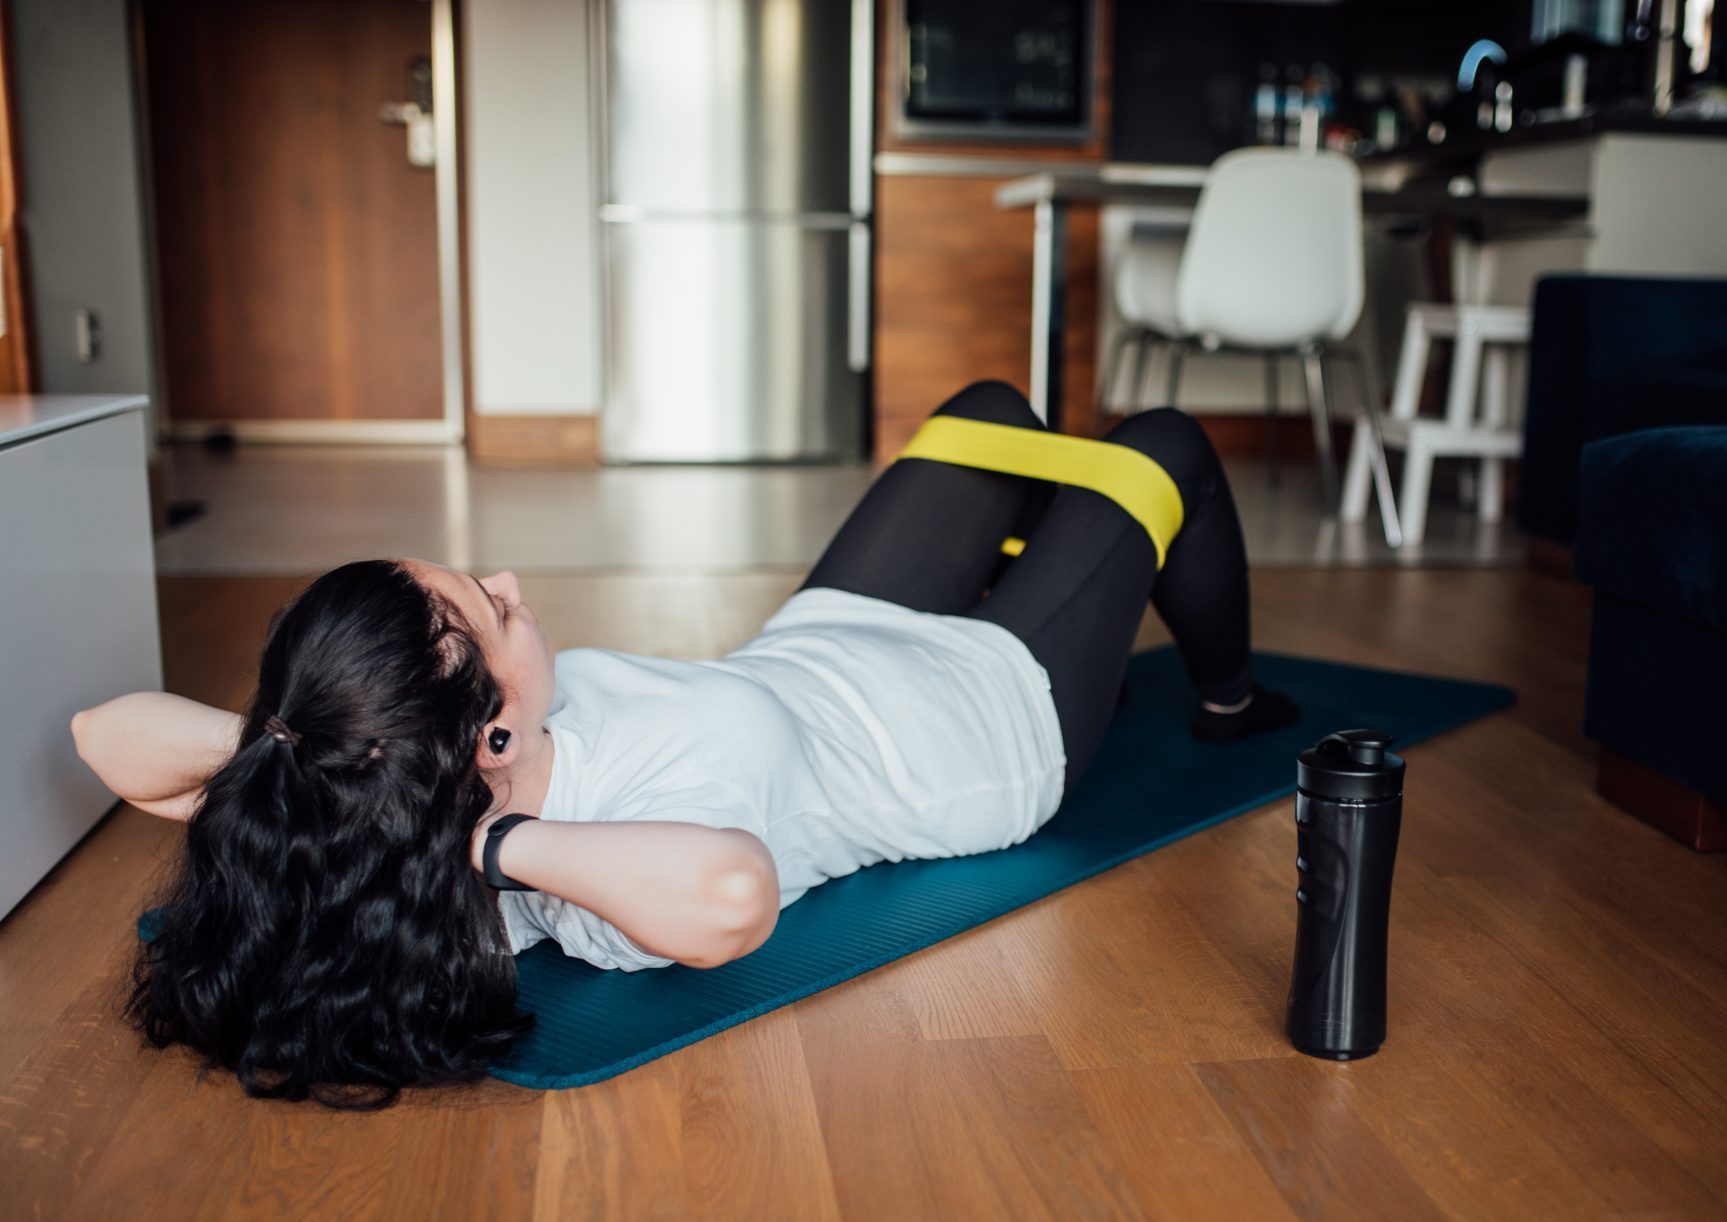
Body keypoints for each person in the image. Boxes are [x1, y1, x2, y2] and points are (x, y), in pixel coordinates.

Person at [73, 382, 1296, 1108]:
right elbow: (731, 895)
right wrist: (497, 844)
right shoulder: (579, 865)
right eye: (491, 607)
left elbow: (103, 733)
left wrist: (334, 759)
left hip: (820, 644)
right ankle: (1231, 696)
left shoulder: (387, 788)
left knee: (985, 420)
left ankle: (1053, 560)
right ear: (488, 731)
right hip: (974, 724)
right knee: (1164, 446)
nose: (507, 581)